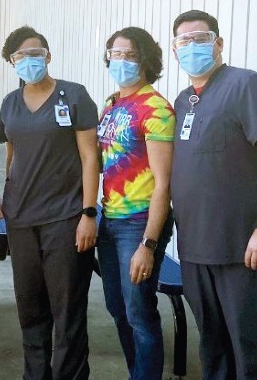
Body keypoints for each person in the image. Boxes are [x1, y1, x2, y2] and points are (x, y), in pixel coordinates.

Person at [0, 26, 100, 380]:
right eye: (20, 56)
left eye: (35, 53)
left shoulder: (74, 96)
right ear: (12, 62)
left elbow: (90, 158)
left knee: (67, 311)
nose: (29, 60)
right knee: (31, 309)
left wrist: (88, 212)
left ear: (49, 55)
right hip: (22, 220)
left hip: (65, 218)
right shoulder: (9, 104)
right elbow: (11, 155)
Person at [170, 10, 257, 380]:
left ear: (218, 43)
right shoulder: (182, 100)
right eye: (183, 41)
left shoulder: (245, 85)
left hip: (239, 249)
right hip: (194, 248)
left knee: (247, 345)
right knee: (212, 344)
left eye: (200, 38)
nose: (191, 47)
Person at [96, 27, 175, 380]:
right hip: (108, 219)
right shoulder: (112, 105)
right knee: (117, 307)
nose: (122, 61)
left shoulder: (156, 108)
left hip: (138, 224)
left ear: (146, 59)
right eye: (116, 54)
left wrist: (148, 243)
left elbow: (164, 183)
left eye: (130, 55)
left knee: (139, 311)